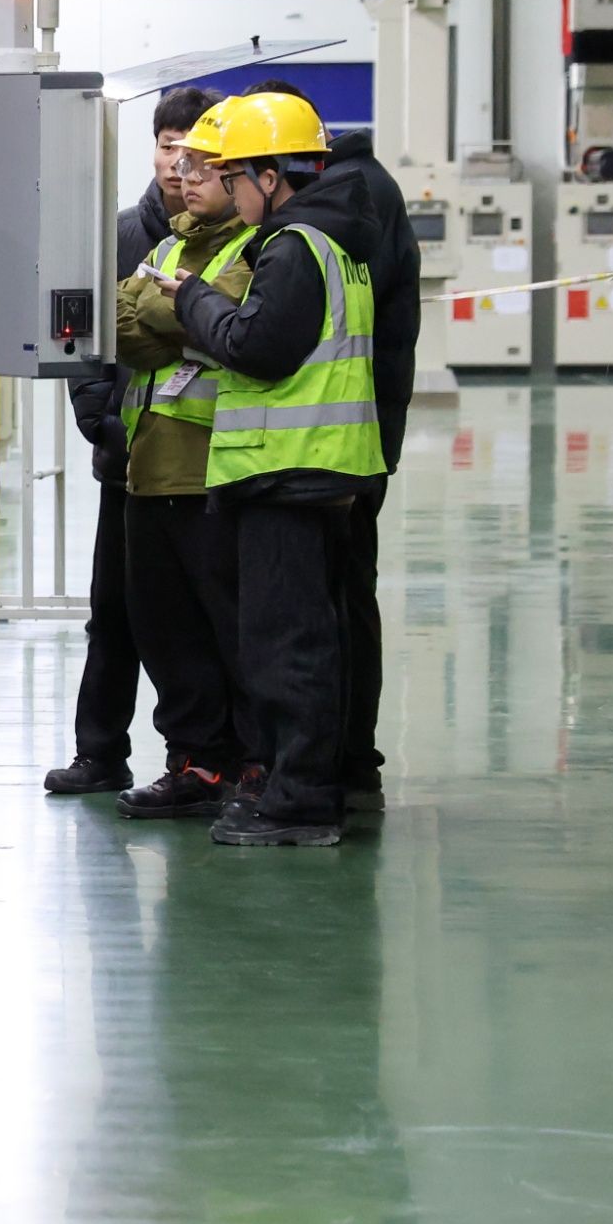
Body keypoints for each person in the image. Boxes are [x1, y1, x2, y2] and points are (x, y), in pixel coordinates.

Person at [156, 89, 387, 848]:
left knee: (286, 645)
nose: (226, 188)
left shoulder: (293, 246)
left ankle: (298, 801)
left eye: (233, 175)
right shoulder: (338, 241)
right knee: (309, 637)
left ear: (270, 175)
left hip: (290, 469)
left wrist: (193, 302)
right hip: (320, 468)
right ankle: (307, 788)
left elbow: (256, 347)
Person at [43, 86, 217, 797]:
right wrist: (101, 422)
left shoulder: (227, 240)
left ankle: (195, 757)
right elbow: (80, 336)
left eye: (193, 151)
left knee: (185, 616)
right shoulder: (115, 236)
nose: (179, 164)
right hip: (125, 458)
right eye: (168, 146)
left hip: (194, 465)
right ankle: (99, 751)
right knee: (111, 611)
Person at [105, 138, 251, 818]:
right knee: (165, 630)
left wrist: (174, 311)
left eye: (206, 169)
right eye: (183, 166)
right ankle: (193, 762)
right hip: (148, 468)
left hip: (214, 469)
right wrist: (184, 314)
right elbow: (120, 327)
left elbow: (226, 323)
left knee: (227, 626)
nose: (187, 179)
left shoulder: (256, 247)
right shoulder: (166, 246)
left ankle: (247, 764)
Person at [312, 116, 421, 812]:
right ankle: (345, 759)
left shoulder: (356, 198)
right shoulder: (353, 188)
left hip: (347, 442)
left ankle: (348, 760)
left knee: (340, 601)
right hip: (348, 436)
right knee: (342, 596)